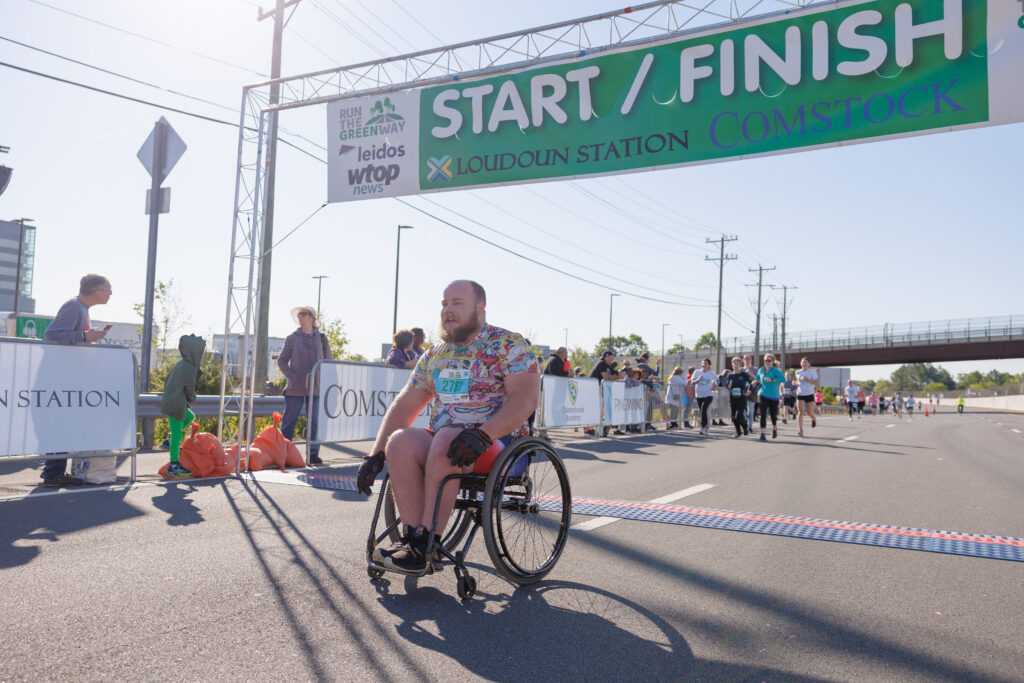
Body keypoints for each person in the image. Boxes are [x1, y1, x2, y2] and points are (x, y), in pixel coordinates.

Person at [356, 280, 540, 573]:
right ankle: (415, 540)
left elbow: (526, 399)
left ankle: (426, 543)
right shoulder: (435, 354)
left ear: (480, 308)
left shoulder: (509, 345)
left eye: (457, 303)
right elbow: (405, 405)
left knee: (447, 440)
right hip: (447, 438)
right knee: (400, 442)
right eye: (444, 303)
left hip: (498, 444)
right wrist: (375, 454)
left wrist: (484, 434)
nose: (447, 310)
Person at [39, 273, 112, 487]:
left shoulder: (80, 308)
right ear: (98, 292)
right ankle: (53, 474)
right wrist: (83, 337)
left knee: (64, 425)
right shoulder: (74, 307)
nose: (110, 295)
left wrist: (87, 336)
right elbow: (51, 335)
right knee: (62, 425)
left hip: (65, 377)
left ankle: (53, 472)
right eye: (109, 291)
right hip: (59, 378)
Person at [278, 305, 333, 465]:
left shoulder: (322, 339)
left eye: (304, 314)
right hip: (295, 388)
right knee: (289, 422)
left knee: (315, 422)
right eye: (299, 315)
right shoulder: (292, 338)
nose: (301, 317)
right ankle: (284, 453)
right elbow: (281, 360)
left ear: (312, 318)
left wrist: (327, 381)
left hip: (316, 387)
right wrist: (291, 375)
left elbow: (328, 361)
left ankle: (313, 454)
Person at [160, 334, 205, 479]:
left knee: (190, 417)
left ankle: (169, 440)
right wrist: (192, 397)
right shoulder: (190, 368)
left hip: (171, 400)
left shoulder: (180, 364)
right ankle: (173, 466)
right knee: (178, 434)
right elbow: (190, 390)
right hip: (176, 404)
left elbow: (167, 381)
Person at [590, 350, 624, 436]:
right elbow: (605, 376)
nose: (612, 359)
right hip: (595, 390)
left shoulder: (608, 366)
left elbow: (618, 374)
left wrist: (618, 375)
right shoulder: (602, 364)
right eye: (611, 357)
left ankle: (604, 428)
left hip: (604, 391)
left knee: (604, 409)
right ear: (606, 357)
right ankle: (593, 429)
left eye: (613, 358)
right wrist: (617, 377)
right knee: (599, 410)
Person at [756, 354, 785, 440]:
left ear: (772, 362)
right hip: (763, 394)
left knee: (773, 415)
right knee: (763, 414)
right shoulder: (761, 369)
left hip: (773, 396)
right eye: (765, 360)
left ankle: (774, 428)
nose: (767, 362)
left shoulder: (775, 370)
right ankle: (763, 433)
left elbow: (783, 379)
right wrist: (755, 381)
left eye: (769, 360)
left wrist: (772, 380)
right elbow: (758, 377)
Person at [725, 357, 753, 437]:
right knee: (733, 417)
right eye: (734, 363)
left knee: (739, 416)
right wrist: (728, 386)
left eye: (737, 363)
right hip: (733, 398)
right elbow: (727, 385)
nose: (735, 365)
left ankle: (745, 427)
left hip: (742, 398)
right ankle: (738, 432)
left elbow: (750, 384)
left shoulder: (743, 374)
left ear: (740, 365)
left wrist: (749, 391)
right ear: (732, 364)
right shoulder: (730, 375)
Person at [689, 358, 717, 435]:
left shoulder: (712, 373)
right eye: (702, 363)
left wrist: (715, 385)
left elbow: (717, 381)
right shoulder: (697, 372)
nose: (703, 365)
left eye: (705, 363)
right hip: (699, 394)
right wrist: (698, 379)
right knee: (703, 411)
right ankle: (707, 427)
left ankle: (703, 427)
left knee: (704, 409)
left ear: (709, 365)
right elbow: (692, 382)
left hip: (709, 394)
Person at [795, 357, 818, 437]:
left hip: (809, 394)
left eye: (805, 362)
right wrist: (795, 382)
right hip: (800, 394)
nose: (804, 364)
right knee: (800, 411)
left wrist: (807, 380)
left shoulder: (812, 372)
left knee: (809, 413)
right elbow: (798, 381)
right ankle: (800, 430)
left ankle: (813, 418)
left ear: (809, 364)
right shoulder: (797, 372)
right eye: (802, 362)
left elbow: (816, 383)